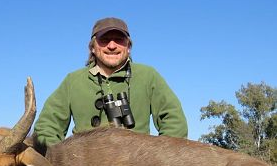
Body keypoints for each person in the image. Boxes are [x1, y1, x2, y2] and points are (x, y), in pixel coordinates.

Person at [34, 17, 188, 147]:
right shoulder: (72, 81)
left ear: (128, 47)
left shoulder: (148, 75)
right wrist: (61, 161)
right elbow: (46, 128)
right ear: (93, 47)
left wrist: (157, 159)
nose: (112, 46)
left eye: (119, 40)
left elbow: (174, 122)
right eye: (104, 40)